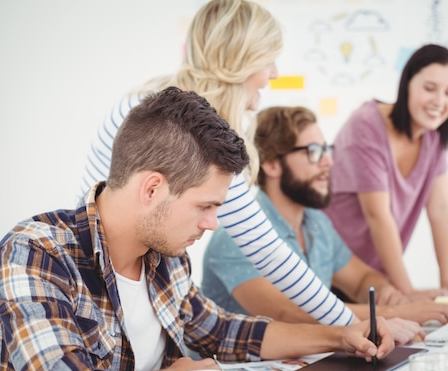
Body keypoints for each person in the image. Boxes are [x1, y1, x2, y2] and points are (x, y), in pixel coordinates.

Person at [0, 88, 393, 371]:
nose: (213, 223)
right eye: (205, 206)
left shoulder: (166, 255)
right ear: (152, 189)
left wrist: (339, 336)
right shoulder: (36, 253)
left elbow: (221, 330)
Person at [79, 0, 355, 326]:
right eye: (269, 61)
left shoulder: (151, 102)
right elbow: (269, 252)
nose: (275, 73)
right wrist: (350, 325)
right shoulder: (183, 131)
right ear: (242, 62)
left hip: (130, 284)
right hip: (103, 288)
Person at [202, 106, 448, 343]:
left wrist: (385, 291)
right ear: (271, 164)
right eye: (313, 152)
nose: (327, 162)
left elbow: (361, 279)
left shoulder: (317, 223)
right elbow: (291, 313)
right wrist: (392, 313)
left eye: (326, 150)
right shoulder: (237, 235)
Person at [324, 44, 448, 299]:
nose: (440, 102)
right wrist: (407, 294)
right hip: (336, 275)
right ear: (407, 84)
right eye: (429, 89)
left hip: (374, 280)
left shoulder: (433, 137)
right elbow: (377, 214)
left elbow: (441, 209)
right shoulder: (366, 125)